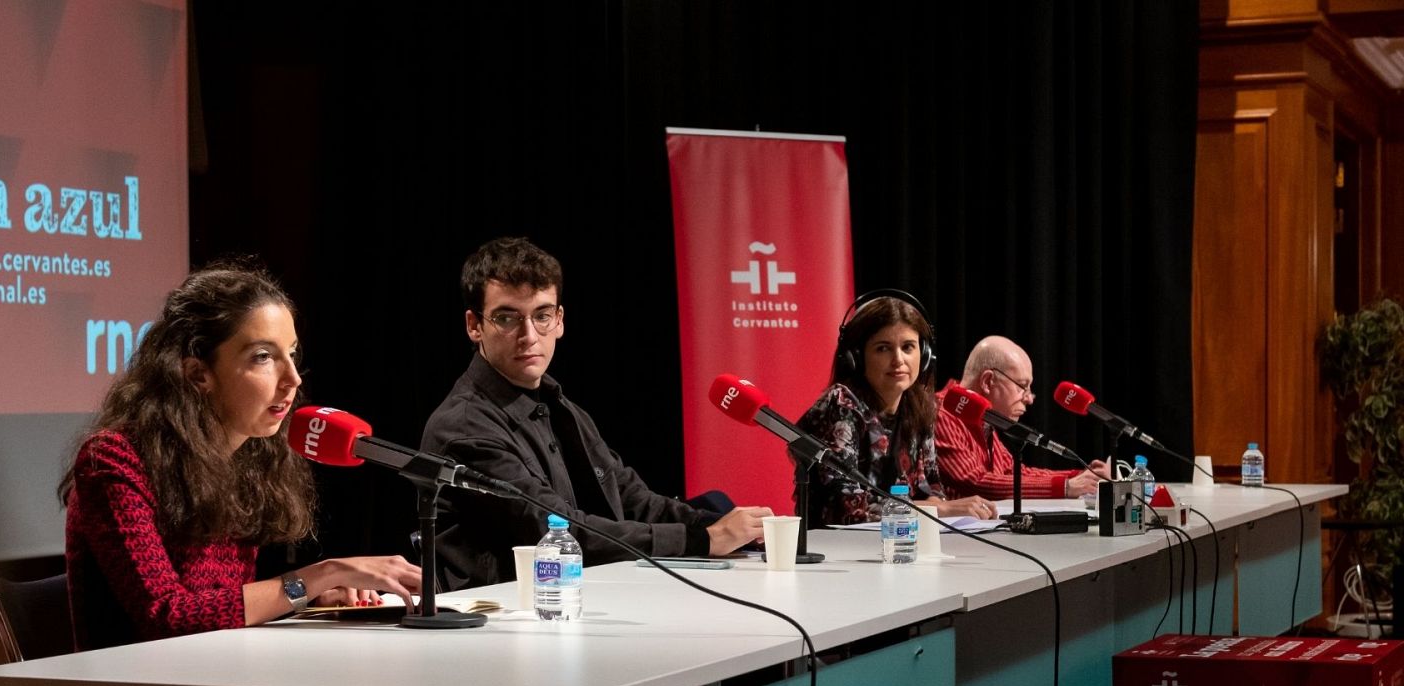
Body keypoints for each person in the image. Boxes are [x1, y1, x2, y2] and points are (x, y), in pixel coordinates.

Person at [59, 263, 477, 686]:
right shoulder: (114, 462)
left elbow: (220, 615)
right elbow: (170, 618)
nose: (293, 380)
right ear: (196, 371)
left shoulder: (243, 464)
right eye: (263, 358)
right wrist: (314, 578)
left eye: (292, 356)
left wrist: (316, 598)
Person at [421, 237, 771, 590]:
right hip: (503, 620)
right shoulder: (464, 427)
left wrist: (725, 525)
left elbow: (633, 498)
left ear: (559, 321)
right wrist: (705, 539)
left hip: (574, 603)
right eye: (507, 318)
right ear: (474, 325)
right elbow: (559, 531)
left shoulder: (560, 405)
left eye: (541, 315)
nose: (528, 335)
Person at [796, 289, 996, 527]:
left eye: (908, 347)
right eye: (883, 348)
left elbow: (931, 488)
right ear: (857, 357)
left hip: (901, 542)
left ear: (924, 355)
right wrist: (937, 509)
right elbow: (845, 507)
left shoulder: (921, 405)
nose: (898, 359)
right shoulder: (841, 404)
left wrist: (939, 505)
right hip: (839, 550)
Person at [933, 336, 1109, 500]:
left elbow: (1013, 472)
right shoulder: (942, 413)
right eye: (1022, 386)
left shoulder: (983, 418)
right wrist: (1066, 486)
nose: (1030, 398)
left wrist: (1080, 476)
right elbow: (976, 481)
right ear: (988, 381)